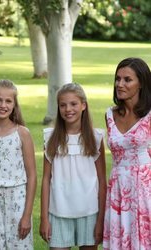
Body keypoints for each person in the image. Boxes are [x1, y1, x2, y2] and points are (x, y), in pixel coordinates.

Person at [40, 83, 107, 250]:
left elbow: (102, 180)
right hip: (59, 212)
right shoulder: (50, 138)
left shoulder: (96, 138)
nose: (68, 109)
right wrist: (44, 218)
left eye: (73, 104)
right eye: (63, 105)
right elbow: (46, 179)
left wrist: (101, 220)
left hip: (90, 212)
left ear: (83, 105)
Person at [0, 79, 37, 249]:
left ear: (14, 104)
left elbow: (32, 176)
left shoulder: (22, 133)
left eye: (8, 101)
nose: (3, 105)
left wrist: (27, 215)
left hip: (17, 200)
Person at [103, 58, 151, 250]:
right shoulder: (110, 115)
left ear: (141, 83)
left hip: (145, 189)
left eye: (127, 80)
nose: (119, 84)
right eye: (117, 79)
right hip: (117, 189)